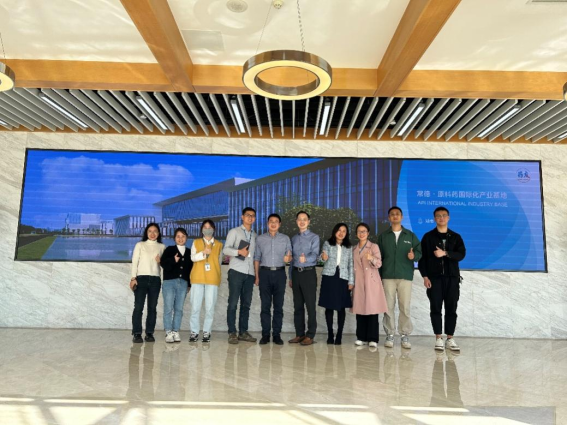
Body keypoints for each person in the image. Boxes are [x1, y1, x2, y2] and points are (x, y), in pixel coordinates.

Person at [418, 207, 467, 352]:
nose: (441, 218)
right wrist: (425, 276)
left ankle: (450, 338)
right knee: (435, 308)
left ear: (448, 218)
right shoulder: (428, 237)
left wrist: (445, 253)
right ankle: (438, 338)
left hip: (452, 278)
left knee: (451, 308)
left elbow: (461, 254)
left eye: (444, 215)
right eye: (438, 216)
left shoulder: (456, 237)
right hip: (434, 279)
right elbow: (422, 259)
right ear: (434, 218)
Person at [378, 207, 422, 350]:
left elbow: (419, 251)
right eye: (392, 214)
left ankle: (404, 334)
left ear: (402, 217)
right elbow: (378, 257)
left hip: (405, 276)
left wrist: (414, 256)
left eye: (397, 214)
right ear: (389, 218)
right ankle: (390, 334)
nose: (395, 216)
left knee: (404, 307)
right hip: (387, 276)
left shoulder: (410, 235)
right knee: (388, 307)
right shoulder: (383, 236)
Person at [254, 214, 293, 346]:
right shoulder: (260, 239)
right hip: (264, 273)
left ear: (280, 224)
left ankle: (276, 334)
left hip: (280, 274)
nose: (273, 223)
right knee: (265, 306)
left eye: (276, 221)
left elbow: (289, 255)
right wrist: (257, 276)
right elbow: (257, 258)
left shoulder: (285, 238)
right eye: (271, 221)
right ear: (267, 223)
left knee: (278, 306)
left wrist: (288, 258)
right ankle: (265, 334)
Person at [223, 207, 258, 345]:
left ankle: (243, 332)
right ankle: (232, 332)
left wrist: (256, 274)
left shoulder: (255, 235)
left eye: (253, 215)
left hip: (249, 273)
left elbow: (254, 256)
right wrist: (238, 252)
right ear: (242, 217)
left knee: (246, 304)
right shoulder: (234, 231)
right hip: (236, 271)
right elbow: (226, 249)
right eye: (247, 215)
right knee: (233, 303)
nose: (250, 217)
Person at [351, 223, 388, 348]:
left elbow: (379, 264)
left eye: (364, 231)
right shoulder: (354, 249)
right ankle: (361, 337)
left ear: (368, 233)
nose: (361, 233)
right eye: (359, 231)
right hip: (359, 282)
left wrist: (372, 258)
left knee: (372, 310)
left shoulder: (373, 246)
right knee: (360, 309)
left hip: (371, 282)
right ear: (356, 234)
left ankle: (373, 338)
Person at [289, 211, 321, 347]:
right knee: (297, 306)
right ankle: (300, 334)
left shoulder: (314, 237)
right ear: (296, 221)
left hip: (308, 274)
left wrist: (306, 259)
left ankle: (310, 335)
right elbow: (291, 260)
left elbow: (316, 255)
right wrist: (291, 277)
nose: (302, 221)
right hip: (296, 274)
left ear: (308, 221)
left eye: (305, 219)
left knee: (310, 305)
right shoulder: (293, 239)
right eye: (299, 219)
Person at [319, 223, 354, 346]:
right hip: (329, 277)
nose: (341, 233)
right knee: (329, 306)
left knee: (341, 307)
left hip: (343, 277)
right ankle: (330, 334)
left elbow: (351, 265)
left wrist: (351, 281)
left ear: (346, 234)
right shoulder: (327, 243)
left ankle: (339, 334)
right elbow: (322, 259)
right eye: (339, 230)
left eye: (344, 231)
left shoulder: (349, 247)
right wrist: (323, 257)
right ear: (335, 231)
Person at [189, 220, 223, 343]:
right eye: (205, 227)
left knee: (210, 307)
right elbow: (193, 258)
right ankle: (194, 332)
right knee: (195, 307)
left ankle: (207, 332)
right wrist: (203, 253)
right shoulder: (196, 242)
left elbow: (219, 262)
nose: (207, 229)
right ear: (202, 229)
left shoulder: (219, 244)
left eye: (210, 227)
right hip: (197, 278)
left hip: (212, 279)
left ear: (213, 229)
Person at [130, 223, 166, 344]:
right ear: (146, 232)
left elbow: (165, 265)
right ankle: (137, 333)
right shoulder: (140, 245)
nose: (152, 233)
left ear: (158, 233)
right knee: (138, 307)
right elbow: (135, 262)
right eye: (150, 231)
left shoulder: (162, 247)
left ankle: (149, 333)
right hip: (141, 279)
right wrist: (133, 278)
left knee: (152, 308)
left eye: (155, 231)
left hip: (155, 280)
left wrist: (160, 261)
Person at [160, 228, 193, 344]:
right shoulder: (169, 250)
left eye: (183, 236)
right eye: (178, 236)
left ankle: (175, 331)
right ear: (174, 238)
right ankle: (168, 331)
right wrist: (173, 260)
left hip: (183, 283)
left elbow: (190, 270)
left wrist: (189, 284)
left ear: (186, 238)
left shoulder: (189, 252)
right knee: (168, 308)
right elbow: (163, 264)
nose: (180, 238)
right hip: (169, 282)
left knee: (179, 308)